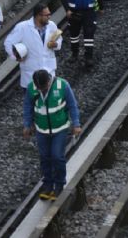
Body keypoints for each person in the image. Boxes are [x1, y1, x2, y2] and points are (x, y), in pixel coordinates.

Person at [22, 69, 81, 200]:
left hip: (59, 129)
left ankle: (59, 185)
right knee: (44, 157)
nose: (41, 90)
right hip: (41, 130)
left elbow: (72, 105)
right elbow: (27, 106)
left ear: (49, 81)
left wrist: (76, 124)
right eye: (39, 88)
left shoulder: (62, 85)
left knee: (57, 156)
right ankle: (48, 185)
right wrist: (27, 124)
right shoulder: (31, 88)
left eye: (43, 87)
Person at [4, 4, 63, 89]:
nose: (49, 17)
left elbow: (59, 39)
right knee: (31, 101)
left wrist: (56, 44)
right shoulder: (23, 27)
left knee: (49, 101)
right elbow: (8, 43)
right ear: (38, 16)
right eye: (47, 15)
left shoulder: (51, 25)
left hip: (49, 72)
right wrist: (15, 56)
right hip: (30, 75)